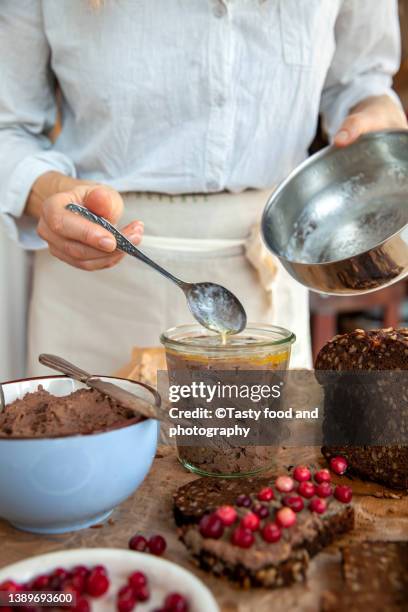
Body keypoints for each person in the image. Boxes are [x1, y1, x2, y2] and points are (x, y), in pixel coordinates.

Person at [0, 0, 406, 375]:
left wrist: (373, 112)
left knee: (260, 453)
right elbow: (8, 126)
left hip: (262, 280)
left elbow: (360, 79)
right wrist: (45, 191)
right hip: (95, 285)